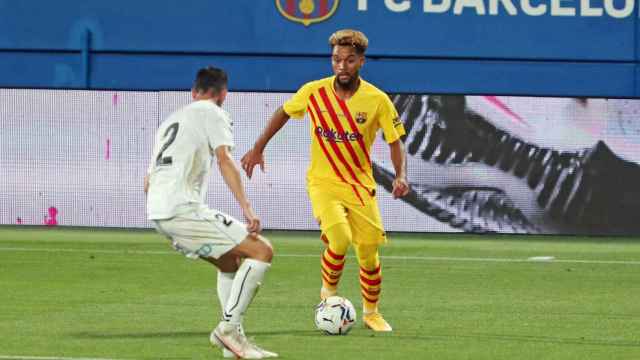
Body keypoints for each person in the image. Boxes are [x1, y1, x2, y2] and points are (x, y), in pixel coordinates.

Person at [241, 29, 409, 332]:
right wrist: (258, 147)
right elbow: (283, 112)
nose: (341, 66)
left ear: (361, 62)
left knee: (369, 251)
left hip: (359, 186)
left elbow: (395, 140)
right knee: (340, 239)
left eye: (349, 60)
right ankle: (328, 297)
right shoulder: (314, 92)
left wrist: (400, 175)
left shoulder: (377, 100)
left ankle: (372, 313)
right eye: (336, 60)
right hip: (323, 183)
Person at [145, 66, 277, 359]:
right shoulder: (213, 112)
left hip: (159, 211)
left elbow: (148, 179)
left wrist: (166, 221)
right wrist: (247, 209)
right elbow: (225, 159)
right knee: (261, 250)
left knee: (229, 262)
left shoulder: (170, 121)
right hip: (182, 209)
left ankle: (233, 343)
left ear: (194, 92)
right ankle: (228, 330)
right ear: (223, 95)